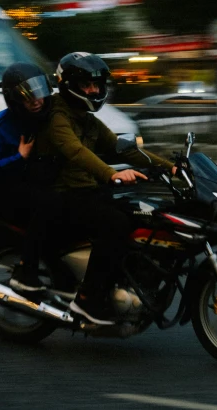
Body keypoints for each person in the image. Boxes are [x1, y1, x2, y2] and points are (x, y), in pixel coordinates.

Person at [33, 52, 175, 325]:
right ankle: (88, 299)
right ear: (69, 84)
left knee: (143, 214)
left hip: (87, 191)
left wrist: (171, 168)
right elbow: (75, 152)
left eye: (97, 85)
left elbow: (122, 148)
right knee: (115, 224)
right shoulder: (57, 116)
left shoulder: (86, 118)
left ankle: (126, 282)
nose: (95, 90)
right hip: (61, 195)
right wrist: (112, 175)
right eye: (87, 85)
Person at [0, 63, 57, 292]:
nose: (36, 101)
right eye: (27, 97)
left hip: (36, 182)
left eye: (39, 93)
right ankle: (27, 272)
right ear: (14, 100)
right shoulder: (0, 125)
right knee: (47, 204)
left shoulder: (48, 117)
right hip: (4, 190)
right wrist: (19, 157)